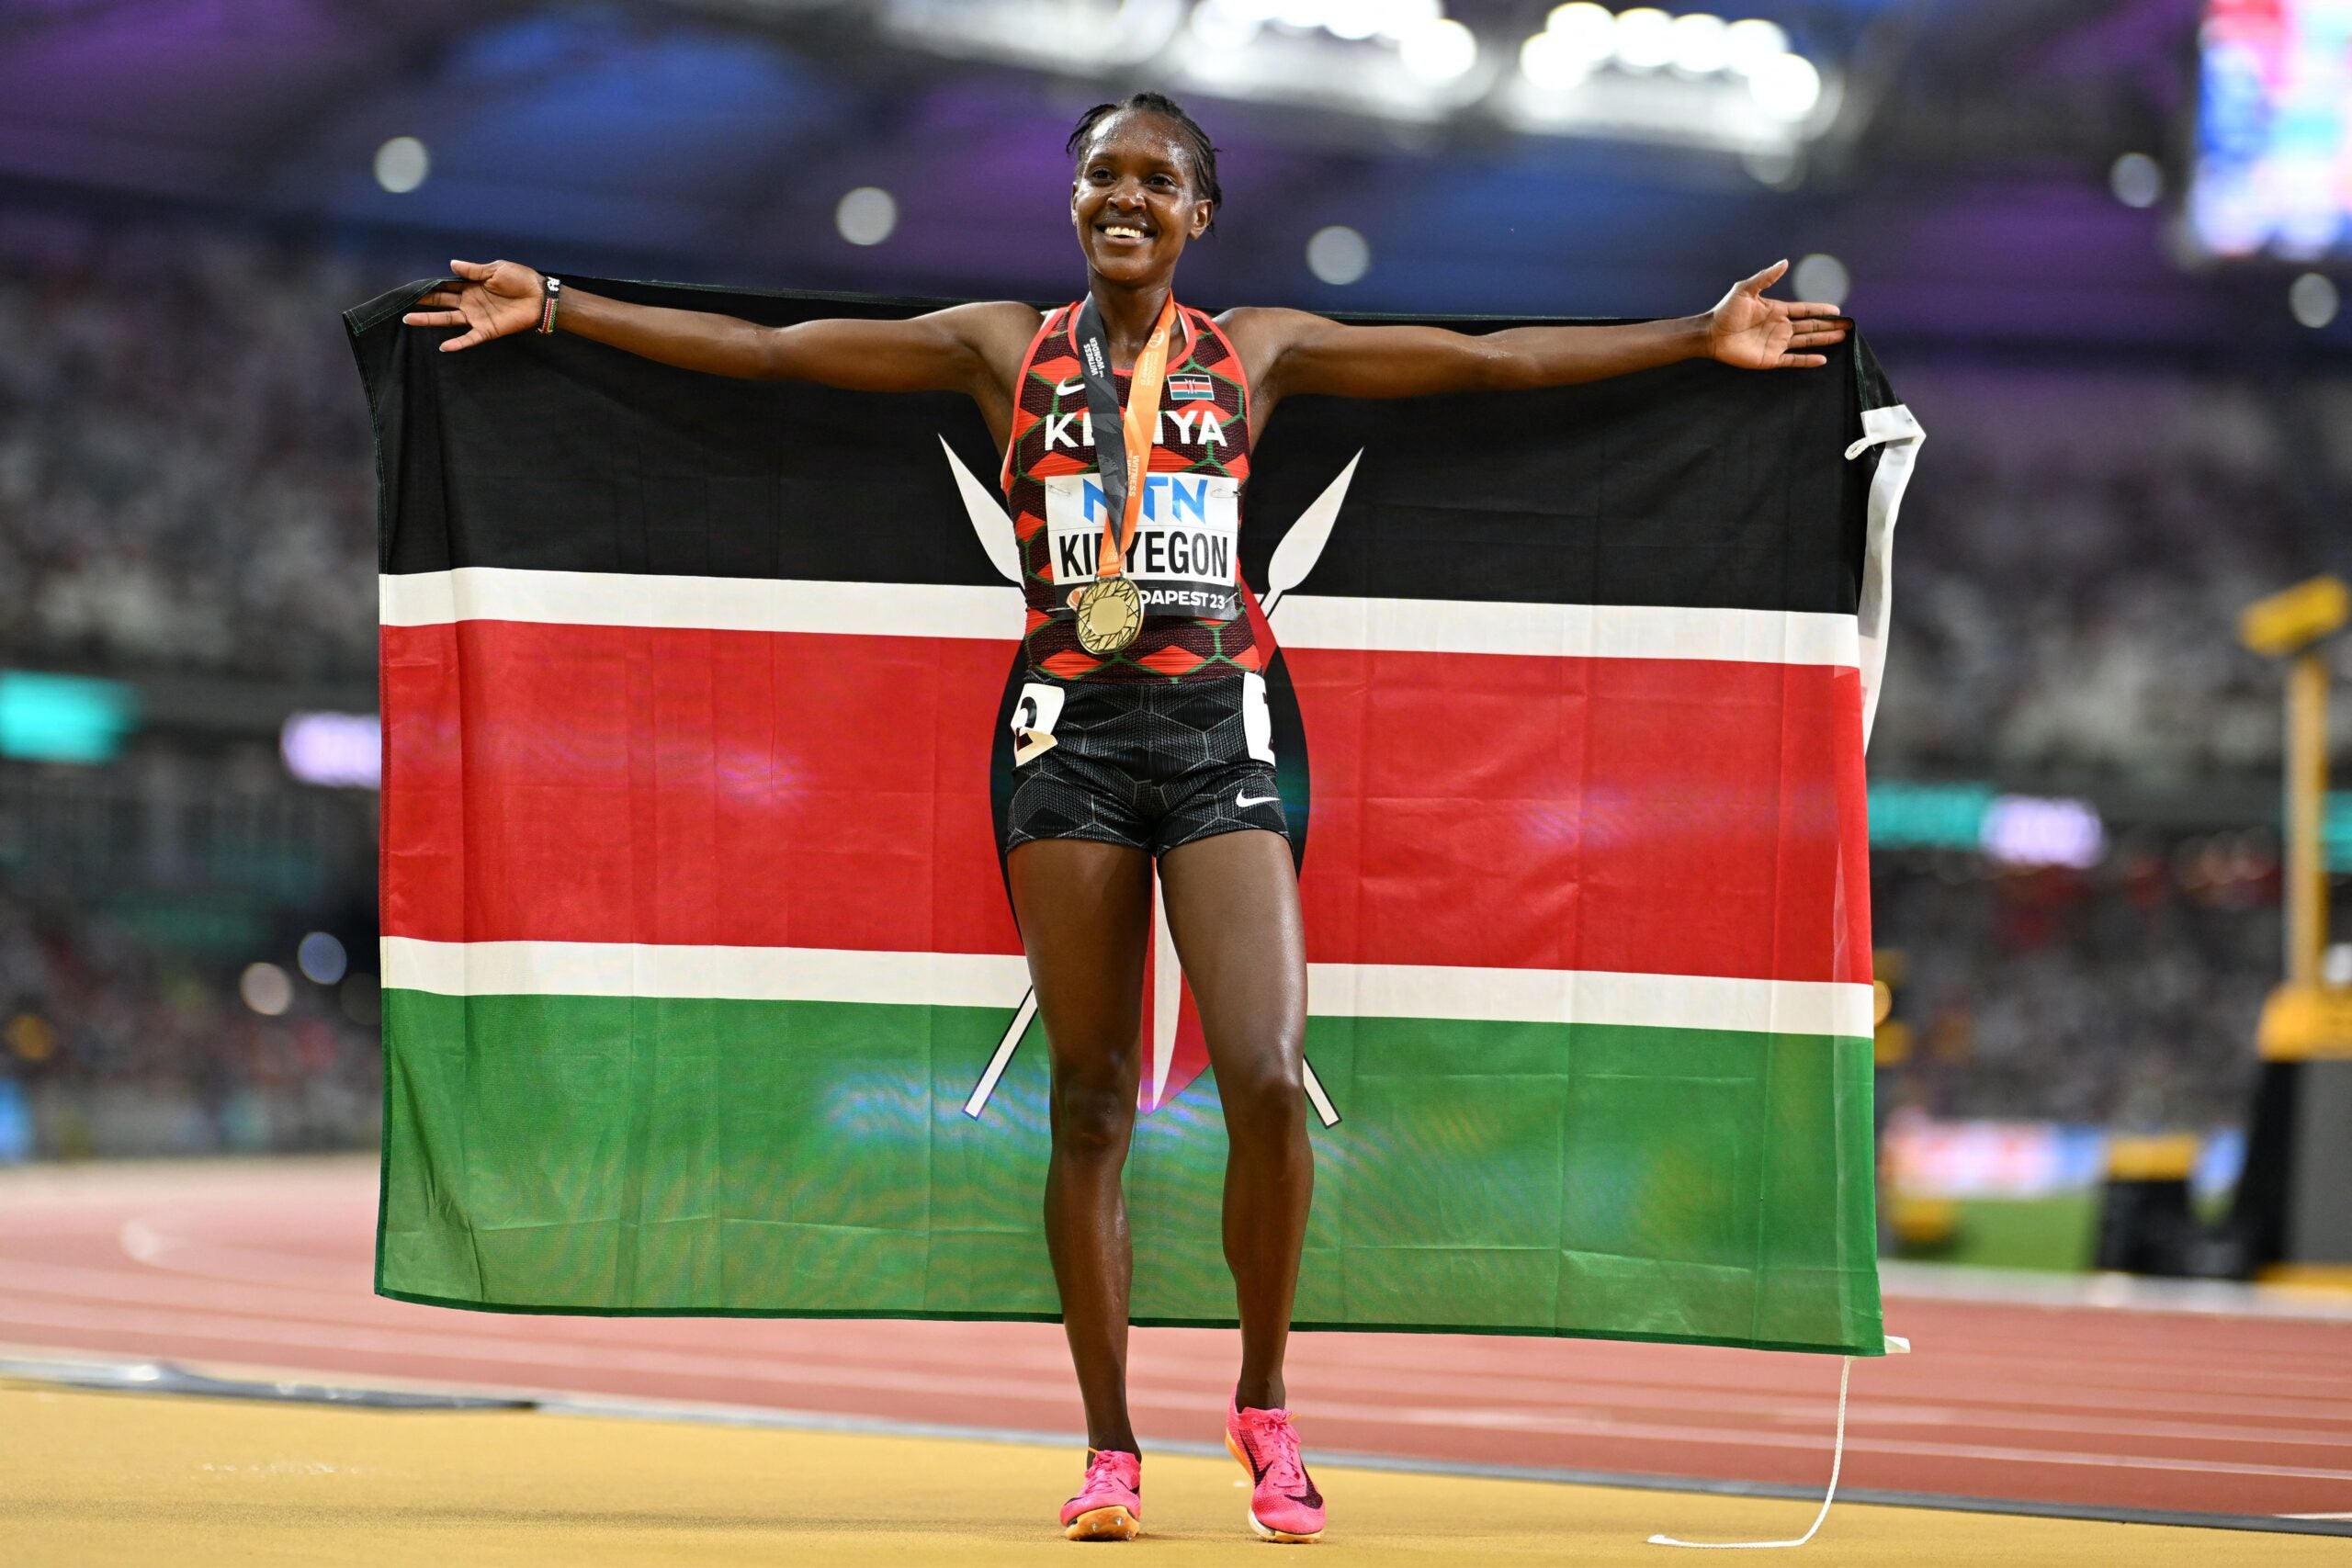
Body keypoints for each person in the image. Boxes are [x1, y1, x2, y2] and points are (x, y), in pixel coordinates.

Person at [403, 89, 1850, 1545]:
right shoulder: (999, 348)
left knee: (1267, 1074)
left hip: (1223, 739)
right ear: (1075, 199)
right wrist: (564, 311)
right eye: (1104, 175)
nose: (1127, 198)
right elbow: (775, 355)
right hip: (1066, 747)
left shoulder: (1259, 353)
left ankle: (1265, 1406)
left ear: (1197, 214)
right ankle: (1109, 1448)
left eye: (1158, 181)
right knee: (1090, 1101)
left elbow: (1491, 367)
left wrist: (1690, 336)